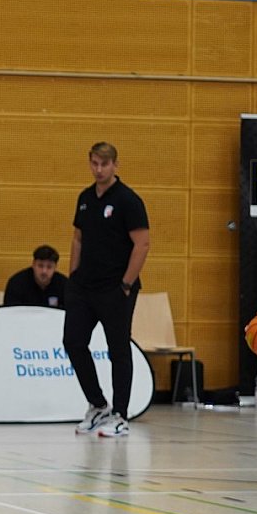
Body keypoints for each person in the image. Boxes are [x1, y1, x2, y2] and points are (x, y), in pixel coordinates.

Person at [65, 142, 150, 439]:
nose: (98, 169)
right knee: (73, 342)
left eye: (104, 164)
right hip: (84, 287)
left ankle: (120, 416)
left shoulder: (128, 200)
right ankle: (98, 405)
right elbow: (78, 238)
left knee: (118, 350)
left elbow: (142, 244)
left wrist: (126, 283)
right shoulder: (85, 198)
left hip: (115, 288)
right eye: (94, 163)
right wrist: (72, 276)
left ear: (115, 165)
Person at [3, 245, 67, 308]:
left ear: (55, 267)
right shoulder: (17, 283)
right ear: (33, 265)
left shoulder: (64, 285)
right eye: (40, 266)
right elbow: (10, 311)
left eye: (49, 267)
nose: (44, 271)